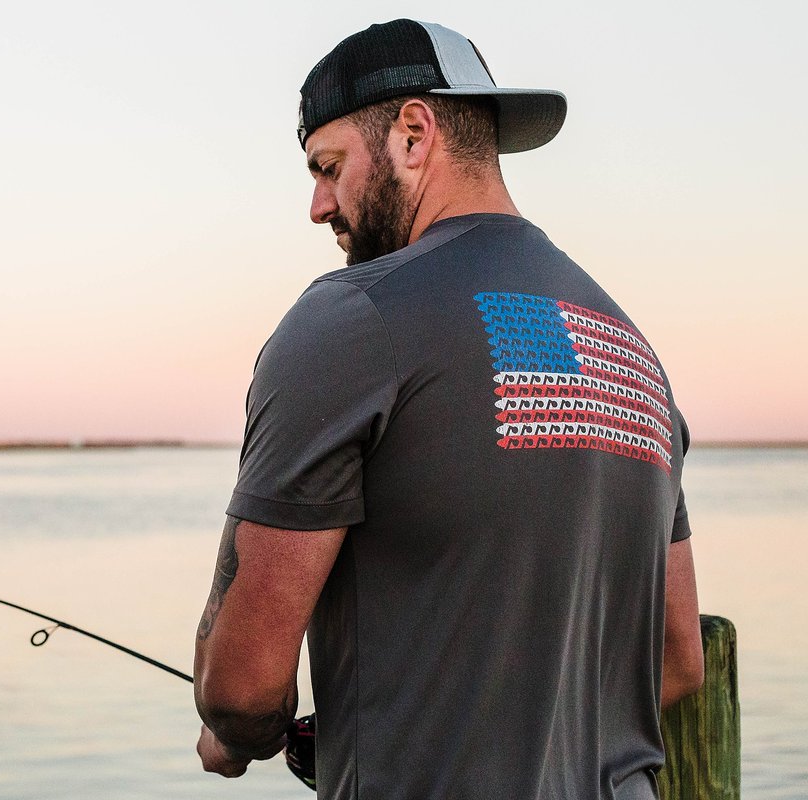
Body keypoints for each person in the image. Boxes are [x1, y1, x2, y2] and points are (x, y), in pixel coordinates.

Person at [194, 19, 703, 799]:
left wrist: (243, 734)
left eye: (328, 167)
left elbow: (241, 686)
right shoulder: (632, 351)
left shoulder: (352, 320)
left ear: (412, 133)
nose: (318, 204)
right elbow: (675, 662)